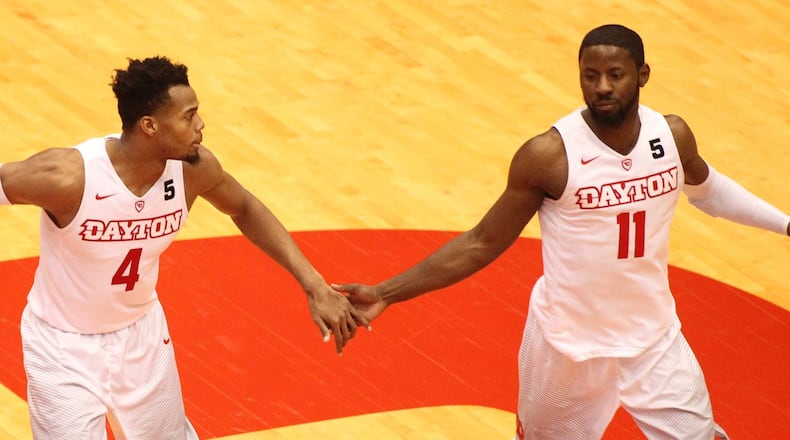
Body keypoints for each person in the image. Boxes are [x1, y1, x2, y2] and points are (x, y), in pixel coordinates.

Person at [333, 24, 789, 439]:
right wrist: (388, 292)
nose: (602, 87)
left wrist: (786, 225)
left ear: (643, 74)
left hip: (653, 337)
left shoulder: (671, 136)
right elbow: (482, 242)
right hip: (568, 346)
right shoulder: (549, 156)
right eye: (590, 76)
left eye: (615, 74)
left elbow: (710, 191)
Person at [0, 56, 368, 439]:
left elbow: (245, 208)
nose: (200, 124)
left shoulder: (192, 170)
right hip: (62, 346)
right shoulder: (68, 177)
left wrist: (313, 284)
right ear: (150, 126)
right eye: (189, 116)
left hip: (141, 338)